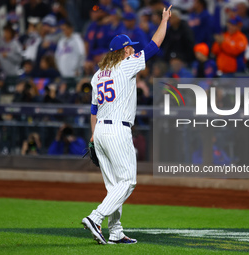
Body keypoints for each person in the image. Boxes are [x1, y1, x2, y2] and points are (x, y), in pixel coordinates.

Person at [81, 5, 172, 245]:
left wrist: (93, 135)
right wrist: (164, 21)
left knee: (114, 185)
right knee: (128, 181)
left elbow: (93, 110)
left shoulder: (97, 75)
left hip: (99, 130)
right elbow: (154, 46)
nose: (132, 49)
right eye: (129, 47)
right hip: (117, 130)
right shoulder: (126, 64)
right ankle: (95, 217)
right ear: (122, 51)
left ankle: (116, 231)